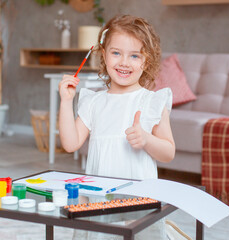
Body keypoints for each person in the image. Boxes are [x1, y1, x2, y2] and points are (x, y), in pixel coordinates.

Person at [58, 15, 175, 239]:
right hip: (97, 201)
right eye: (116, 53)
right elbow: (70, 144)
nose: (124, 62)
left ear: (146, 61)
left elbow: (169, 152)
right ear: (103, 54)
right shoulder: (93, 101)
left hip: (138, 201)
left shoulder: (152, 101)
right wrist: (65, 101)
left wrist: (147, 140)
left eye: (134, 55)